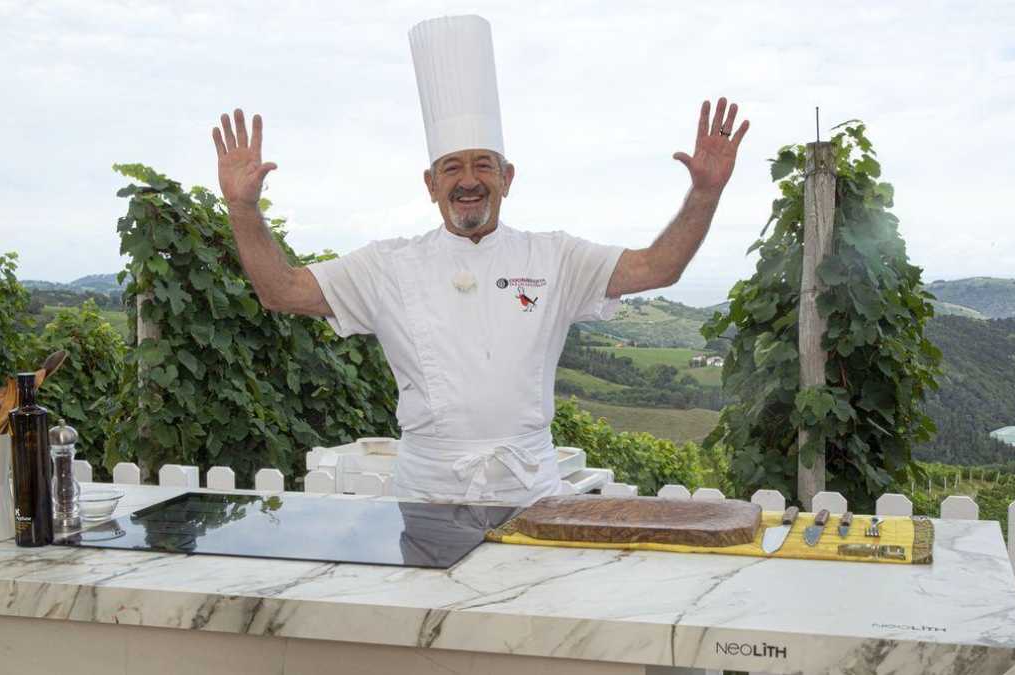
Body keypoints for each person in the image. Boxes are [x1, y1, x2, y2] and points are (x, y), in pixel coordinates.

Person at [209, 15, 749, 505]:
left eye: (483, 164)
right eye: (452, 167)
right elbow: (280, 290)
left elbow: (659, 267)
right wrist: (242, 208)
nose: (468, 180)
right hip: (427, 493)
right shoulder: (387, 266)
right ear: (430, 185)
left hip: (530, 488)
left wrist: (706, 193)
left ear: (507, 178)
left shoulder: (555, 256)